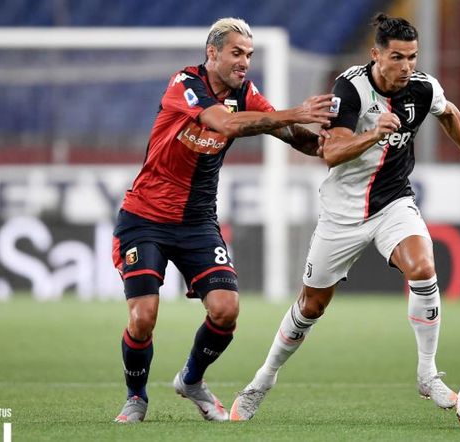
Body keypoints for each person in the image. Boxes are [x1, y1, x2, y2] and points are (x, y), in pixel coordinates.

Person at [230, 13, 460, 421]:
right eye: (397, 57)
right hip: (341, 214)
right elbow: (330, 153)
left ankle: (428, 374)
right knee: (311, 306)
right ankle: (262, 381)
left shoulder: (423, 88)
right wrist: (374, 133)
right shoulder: (351, 88)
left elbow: (449, 113)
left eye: (412, 57)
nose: (406, 66)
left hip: (393, 203)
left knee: (424, 268)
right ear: (376, 54)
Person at [111, 17, 335, 424]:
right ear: (212, 53)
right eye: (236, 53)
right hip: (145, 217)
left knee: (226, 309)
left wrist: (329, 147)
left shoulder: (245, 94)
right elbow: (226, 124)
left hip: (197, 223)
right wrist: (295, 111)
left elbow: (289, 135)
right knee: (143, 317)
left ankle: (191, 380)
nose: (244, 62)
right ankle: (136, 397)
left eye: (249, 55)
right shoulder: (185, 83)